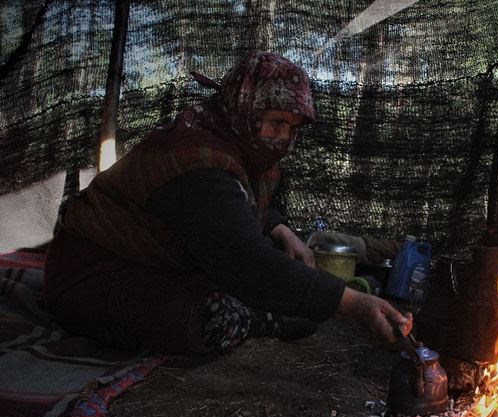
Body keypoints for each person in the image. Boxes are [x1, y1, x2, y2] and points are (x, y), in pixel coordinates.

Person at [43, 51, 411, 354]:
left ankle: (259, 305)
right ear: (244, 109)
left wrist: (279, 227)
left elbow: (234, 208)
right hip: (92, 275)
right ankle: (262, 320)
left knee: (269, 264)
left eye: (292, 128)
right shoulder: (195, 158)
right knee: (213, 316)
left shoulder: (235, 143)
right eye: (276, 122)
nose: (283, 137)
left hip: (154, 264)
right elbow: (242, 256)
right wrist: (353, 304)